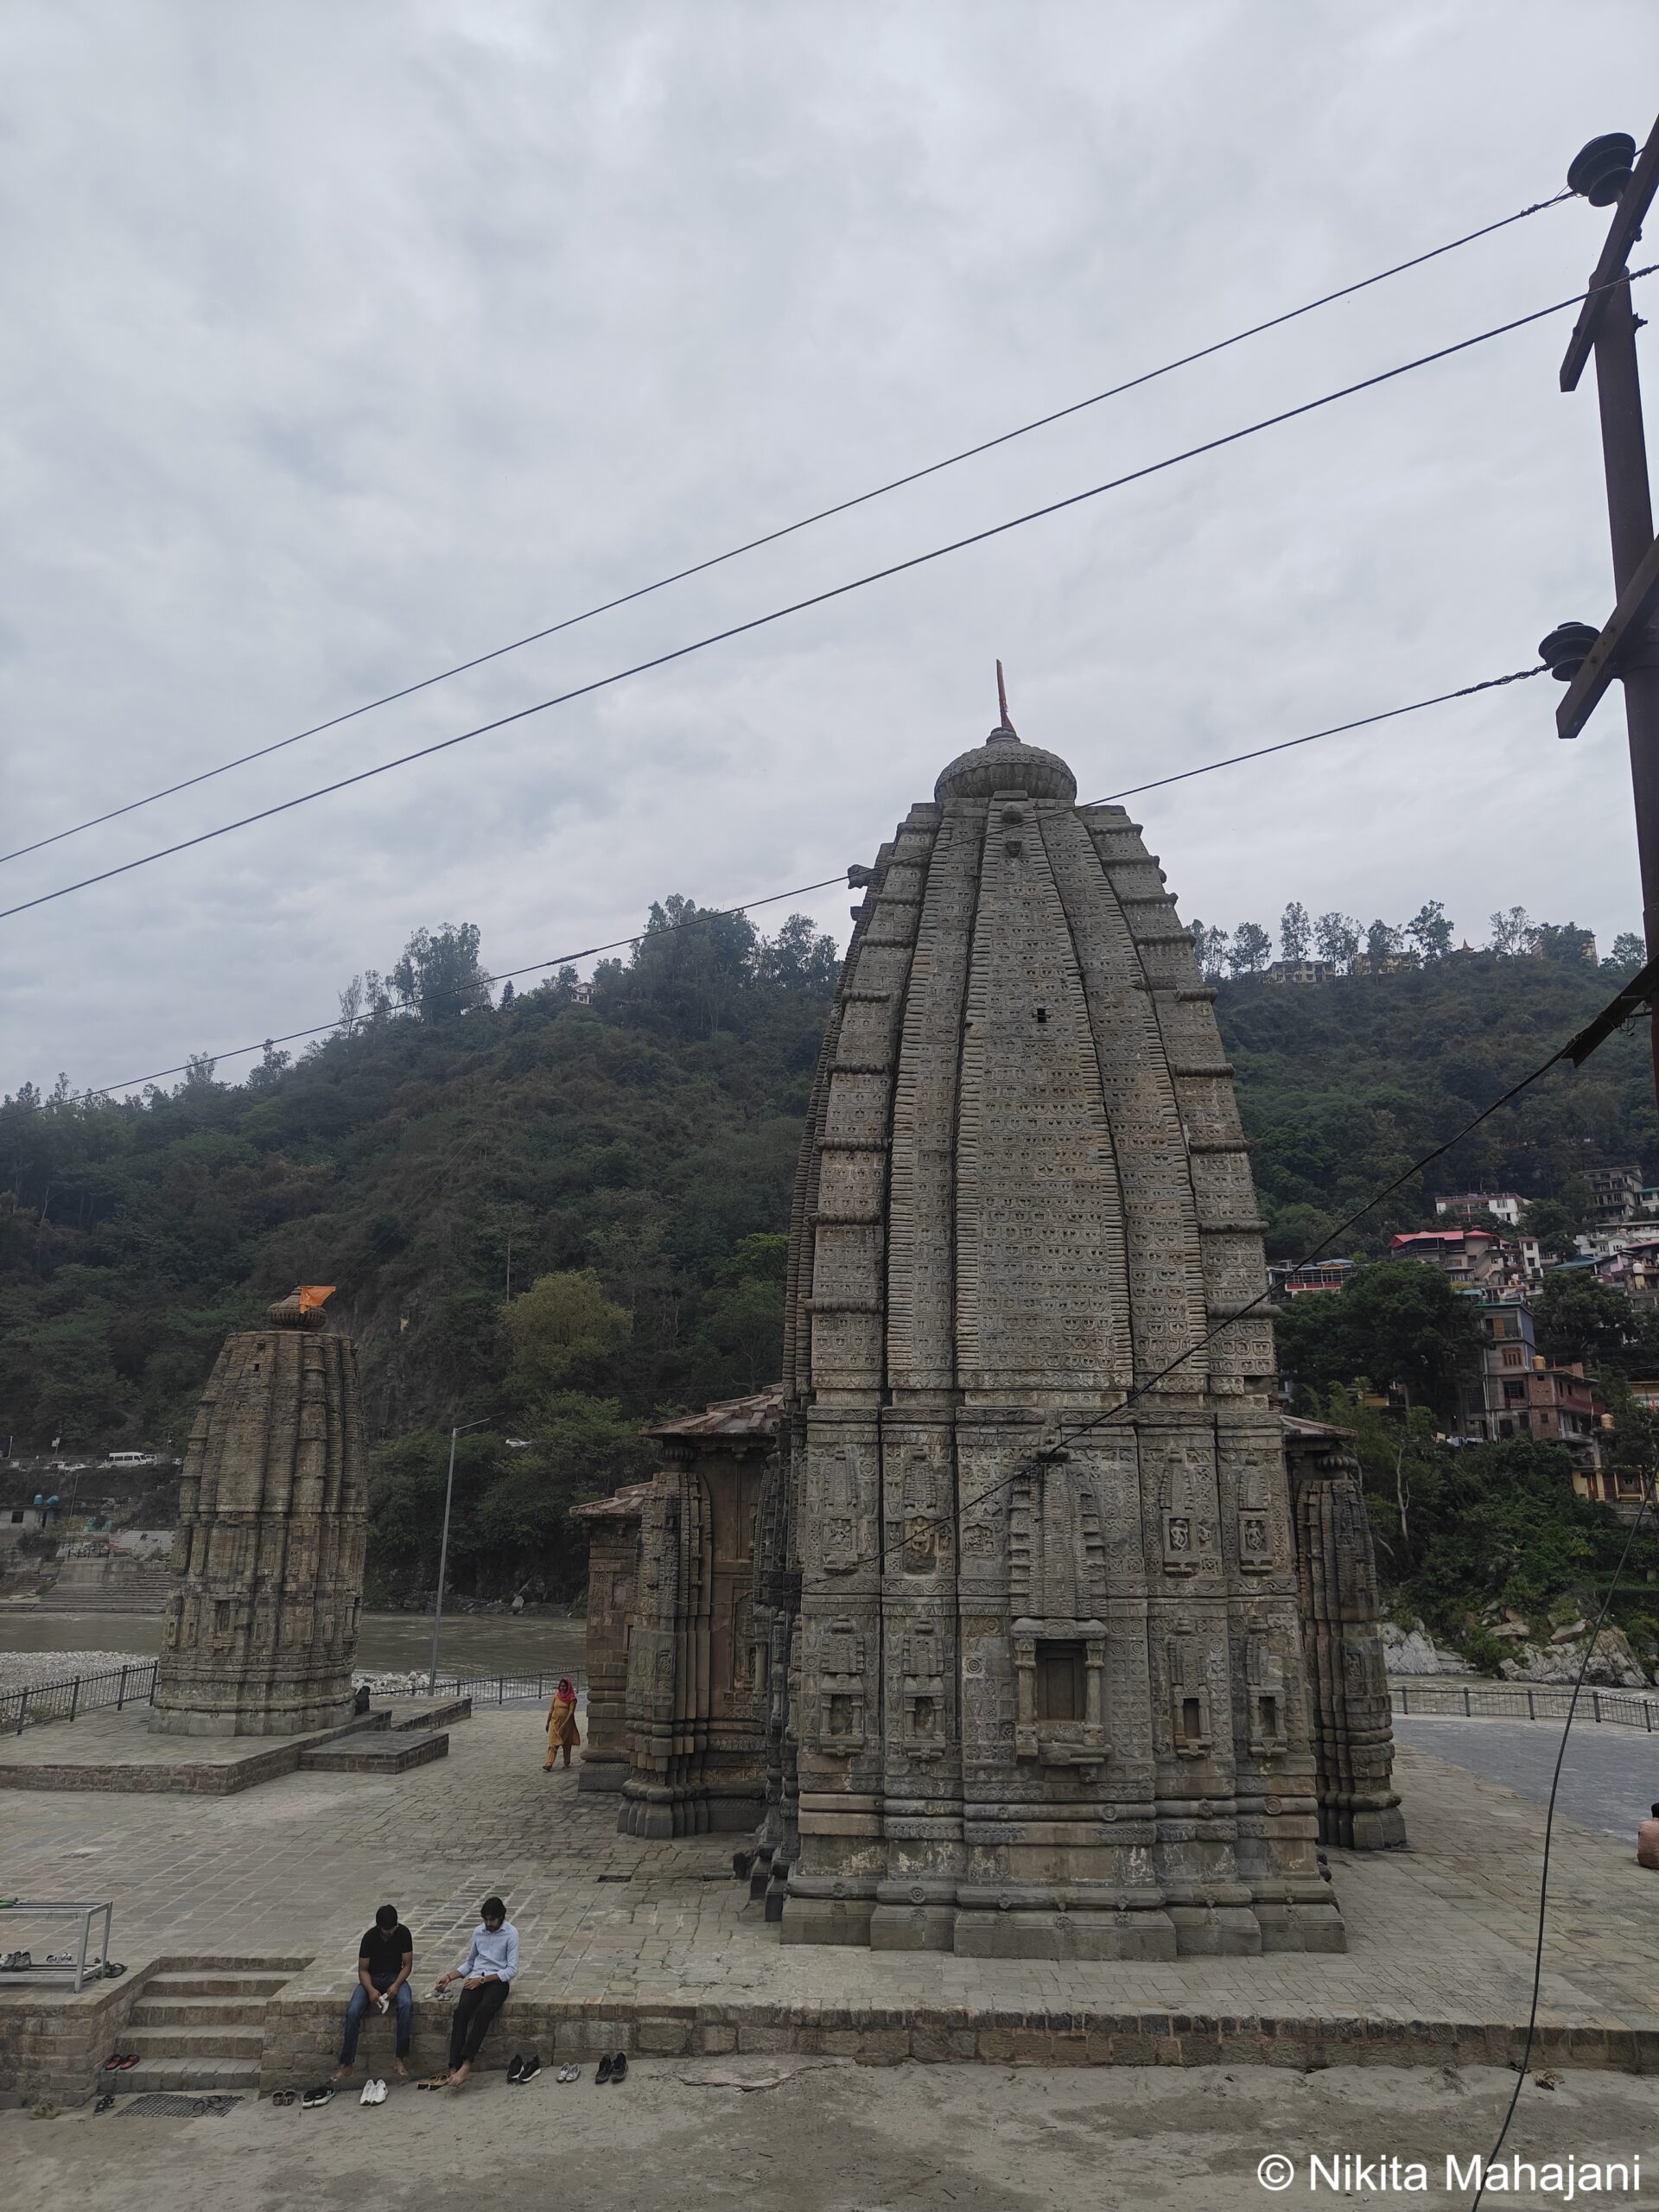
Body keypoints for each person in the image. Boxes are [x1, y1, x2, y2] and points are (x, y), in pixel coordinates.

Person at [434, 1896, 518, 2086]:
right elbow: (470, 1962)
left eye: (492, 1920)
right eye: (485, 1920)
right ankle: (453, 2066)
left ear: (501, 1917)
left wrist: (483, 1980)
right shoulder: (479, 1932)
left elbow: (511, 1969)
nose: (488, 1924)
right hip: (476, 1977)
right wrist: (449, 1977)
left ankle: (467, 2063)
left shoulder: (511, 1933)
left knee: (484, 2011)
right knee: (461, 2012)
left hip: (496, 1980)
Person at [334, 1904, 414, 2084]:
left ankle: (400, 2058)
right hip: (372, 1978)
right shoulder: (369, 1938)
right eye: (387, 1930)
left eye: (392, 1929)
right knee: (353, 2011)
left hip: (395, 1976)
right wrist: (370, 1990)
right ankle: (347, 2063)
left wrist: (396, 1985)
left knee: (406, 2005)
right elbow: (363, 1969)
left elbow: (407, 1965)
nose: (390, 1933)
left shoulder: (403, 1934)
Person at [544, 1678, 580, 1770]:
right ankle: (549, 1763)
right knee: (553, 1742)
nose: (562, 1688)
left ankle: (567, 1762)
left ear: (568, 1687)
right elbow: (551, 1710)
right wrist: (548, 1722)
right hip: (555, 1722)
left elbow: (571, 1712)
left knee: (566, 1744)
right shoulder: (556, 1696)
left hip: (567, 1724)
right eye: (561, 1686)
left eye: (564, 1686)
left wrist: (565, 1724)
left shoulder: (572, 1698)